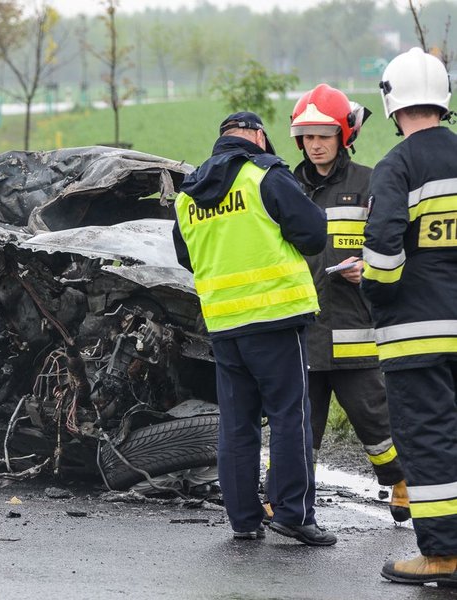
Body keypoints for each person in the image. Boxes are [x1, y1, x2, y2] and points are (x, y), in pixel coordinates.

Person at [173, 111, 336, 546]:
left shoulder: (188, 194)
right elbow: (314, 234)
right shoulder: (263, 174)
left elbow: (186, 257)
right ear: (259, 137)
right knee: (289, 415)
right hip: (276, 318)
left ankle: (244, 520)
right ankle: (294, 514)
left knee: (237, 424)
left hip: (224, 324)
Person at [289, 84, 409, 522]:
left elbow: (395, 242)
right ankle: (288, 499)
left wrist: (368, 269)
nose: (315, 145)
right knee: (301, 425)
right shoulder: (285, 186)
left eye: (324, 135)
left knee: (374, 421)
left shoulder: (369, 182)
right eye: (308, 136)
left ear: (344, 136)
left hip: (355, 327)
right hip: (303, 328)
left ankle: (399, 481)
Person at [362, 47, 457, 585]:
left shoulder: (397, 165)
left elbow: (383, 248)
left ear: (393, 102)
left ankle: (443, 556)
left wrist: (374, 288)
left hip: (416, 337)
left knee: (428, 441)